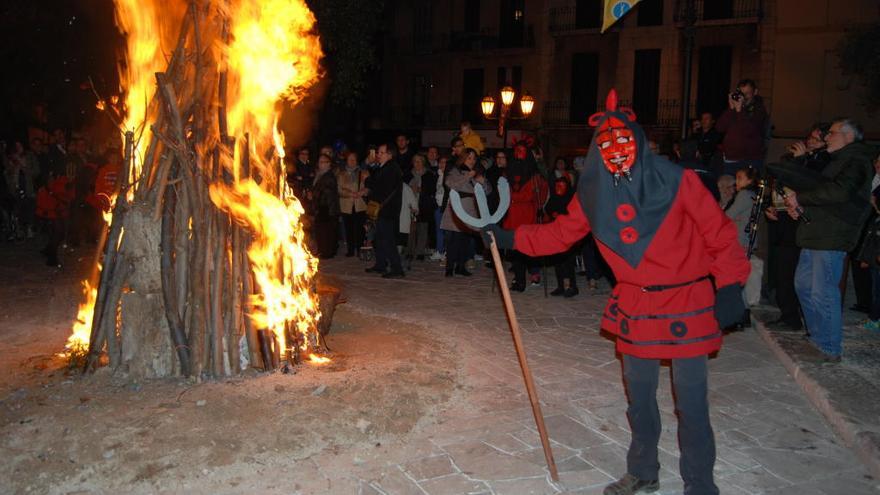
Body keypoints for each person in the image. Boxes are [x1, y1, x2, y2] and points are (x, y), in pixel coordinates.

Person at [483, 90, 750, 495]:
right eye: (605, 144)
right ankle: (643, 471)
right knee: (639, 400)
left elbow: (719, 234)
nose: (615, 150)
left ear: (638, 140)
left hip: (687, 299)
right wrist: (508, 238)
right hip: (637, 303)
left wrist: (730, 284)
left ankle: (700, 484)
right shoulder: (592, 195)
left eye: (622, 140)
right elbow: (559, 235)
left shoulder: (680, 181)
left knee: (691, 405)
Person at [768, 118, 875, 362]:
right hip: (816, 232)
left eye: (833, 133)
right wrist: (801, 208)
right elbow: (826, 197)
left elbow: (839, 193)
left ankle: (828, 346)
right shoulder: (839, 160)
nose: (827, 137)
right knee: (804, 285)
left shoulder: (856, 160)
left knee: (823, 291)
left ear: (849, 136)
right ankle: (817, 337)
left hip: (832, 235)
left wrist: (802, 199)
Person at [763, 123, 830, 331]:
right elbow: (780, 187)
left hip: (802, 224)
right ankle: (787, 313)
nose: (809, 141)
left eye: (816, 139)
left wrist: (800, 160)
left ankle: (795, 317)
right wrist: (770, 206)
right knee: (782, 270)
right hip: (784, 221)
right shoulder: (800, 160)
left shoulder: (824, 162)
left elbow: (807, 184)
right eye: (809, 137)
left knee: (795, 274)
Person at [504, 140, 548, 291]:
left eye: (521, 151)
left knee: (528, 247)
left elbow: (541, 194)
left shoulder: (535, 176)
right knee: (515, 249)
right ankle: (519, 279)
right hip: (513, 214)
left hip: (528, 215)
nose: (518, 154)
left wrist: (538, 206)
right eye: (516, 151)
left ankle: (533, 274)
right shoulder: (509, 172)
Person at [440, 148, 490, 277]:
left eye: (474, 158)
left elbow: (488, 191)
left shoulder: (477, 173)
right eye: (469, 158)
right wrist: (468, 176)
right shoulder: (455, 170)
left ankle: (461, 266)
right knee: (454, 239)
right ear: (463, 158)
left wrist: (483, 183)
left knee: (465, 239)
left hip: (470, 208)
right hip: (457, 207)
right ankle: (449, 267)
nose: (472, 161)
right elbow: (450, 184)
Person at [724, 167, 763, 324]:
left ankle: (740, 314)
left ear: (750, 181)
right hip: (746, 241)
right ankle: (742, 314)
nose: (736, 182)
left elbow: (728, 215)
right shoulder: (752, 195)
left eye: (740, 178)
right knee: (740, 277)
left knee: (737, 278)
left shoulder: (744, 195)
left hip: (741, 241)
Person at [364, 143, 405, 278]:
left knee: (388, 239)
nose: (378, 155)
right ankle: (381, 264)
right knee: (380, 238)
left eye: (381, 153)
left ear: (389, 155)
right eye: (378, 152)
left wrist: (368, 178)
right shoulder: (385, 167)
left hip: (387, 210)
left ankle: (397, 268)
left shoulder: (391, 169)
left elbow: (376, 184)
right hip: (383, 209)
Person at [716, 79, 769, 176]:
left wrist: (739, 110)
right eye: (742, 93)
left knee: (748, 190)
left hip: (750, 161)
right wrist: (731, 108)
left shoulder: (759, 110)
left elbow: (748, 131)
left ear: (755, 92)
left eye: (747, 93)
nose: (744, 97)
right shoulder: (735, 108)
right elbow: (720, 127)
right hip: (731, 160)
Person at [547, 158, 579, 297]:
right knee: (558, 261)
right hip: (555, 233)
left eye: (562, 186)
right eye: (557, 186)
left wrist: (563, 215)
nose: (559, 189)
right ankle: (560, 286)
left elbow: (574, 213)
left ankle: (572, 286)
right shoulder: (554, 198)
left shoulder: (571, 198)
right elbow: (548, 207)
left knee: (568, 262)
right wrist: (551, 213)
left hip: (568, 234)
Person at [337, 151, 367, 257]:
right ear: (346, 161)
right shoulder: (341, 174)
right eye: (350, 159)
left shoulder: (363, 173)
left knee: (360, 228)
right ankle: (350, 250)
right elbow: (339, 189)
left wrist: (361, 192)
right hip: (346, 205)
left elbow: (369, 186)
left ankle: (360, 249)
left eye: (354, 159)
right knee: (348, 228)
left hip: (360, 205)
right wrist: (350, 193)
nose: (352, 161)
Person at [310, 154, 339, 259]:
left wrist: (314, 195)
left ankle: (327, 252)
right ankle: (323, 250)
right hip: (322, 207)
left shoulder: (329, 176)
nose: (321, 164)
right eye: (320, 162)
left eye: (323, 162)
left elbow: (327, 192)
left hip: (327, 208)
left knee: (326, 231)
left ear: (329, 164)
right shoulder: (320, 175)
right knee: (321, 231)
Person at [408, 154, 436, 260]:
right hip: (410, 205)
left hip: (424, 205)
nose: (417, 163)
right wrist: (411, 189)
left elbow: (432, 189)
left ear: (423, 162)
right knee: (411, 229)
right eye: (415, 161)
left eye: (419, 161)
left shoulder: (429, 174)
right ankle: (409, 252)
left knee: (423, 229)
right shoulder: (409, 174)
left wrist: (420, 190)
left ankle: (420, 252)